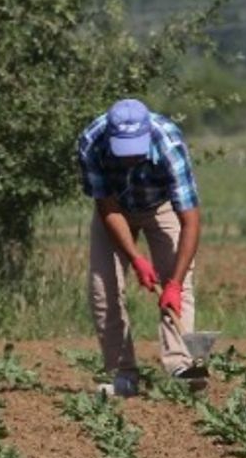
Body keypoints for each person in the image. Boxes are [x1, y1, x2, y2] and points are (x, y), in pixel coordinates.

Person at [76, 98, 204, 397]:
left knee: (179, 286)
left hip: (162, 207)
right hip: (117, 211)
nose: (129, 159)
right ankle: (123, 374)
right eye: (123, 151)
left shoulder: (169, 143)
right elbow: (107, 207)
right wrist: (136, 259)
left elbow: (191, 221)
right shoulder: (90, 144)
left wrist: (172, 282)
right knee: (103, 288)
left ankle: (183, 366)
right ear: (110, 136)